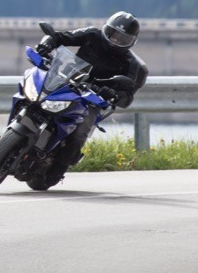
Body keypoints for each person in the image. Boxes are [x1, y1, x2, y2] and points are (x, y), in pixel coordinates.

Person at [33, 10, 149, 166]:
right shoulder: (92, 35)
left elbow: (127, 97)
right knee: (32, 98)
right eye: (113, 33)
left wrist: (113, 94)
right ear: (106, 28)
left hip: (91, 100)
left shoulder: (132, 64)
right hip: (65, 83)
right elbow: (61, 37)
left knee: (80, 131)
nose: (115, 39)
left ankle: (60, 165)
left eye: (122, 38)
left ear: (132, 41)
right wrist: (47, 44)